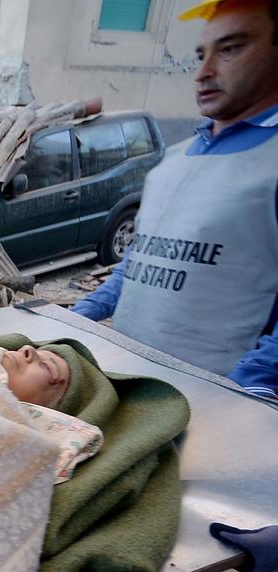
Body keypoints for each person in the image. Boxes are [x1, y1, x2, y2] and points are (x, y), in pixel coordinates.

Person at [72, 0, 278, 400]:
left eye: (230, 49)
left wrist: (238, 395)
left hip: (213, 401)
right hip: (129, 379)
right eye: (201, 54)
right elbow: (137, 264)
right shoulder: (173, 161)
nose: (203, 72)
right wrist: (74, 321)